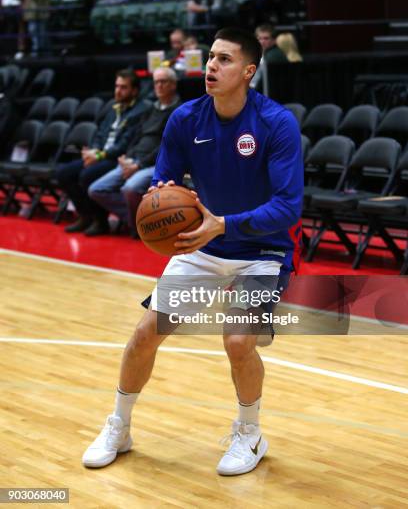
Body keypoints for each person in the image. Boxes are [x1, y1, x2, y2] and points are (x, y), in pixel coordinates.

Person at [82, 27, 303, 476]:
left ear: (248, 71)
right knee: (145, 334)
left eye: (223, 59)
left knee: (238, 341)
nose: (211, 66)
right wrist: (163, 200)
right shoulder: (185, 118)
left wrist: (224, 224)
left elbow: (288, 207)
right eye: (210, 57)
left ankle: (250, 434)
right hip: (201, 246)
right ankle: (119, 427)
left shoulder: (277, 123)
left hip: (261, 251)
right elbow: (162, 183)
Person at [88, 68, 180, 236]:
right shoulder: (151, 109)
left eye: (163, 81)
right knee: (96, 189)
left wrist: (138, 165)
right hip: (134, 160)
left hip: (157, 163)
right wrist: (126, 158)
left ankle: (138, 226)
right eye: (156, 82)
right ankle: (145, 221)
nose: (158, 86)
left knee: (130, 188)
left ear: (173, 85)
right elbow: (137, 136)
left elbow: (166, 146)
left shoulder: (179, 112)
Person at [56, 70, 147, 236]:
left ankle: (100, 221)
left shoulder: (140, 111)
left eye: (123, 87)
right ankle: (85, 216)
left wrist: (99, 155)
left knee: (87, 175)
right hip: (100, 155)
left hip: (117, 159)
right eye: (117, 86)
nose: (118, 91)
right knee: (63, 173)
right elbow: (99, 133)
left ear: (134, 91)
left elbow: (125, 144)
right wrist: (93, 151)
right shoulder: (113, 107)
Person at [251, 24, 288, 89]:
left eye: (266, 38)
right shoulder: (257, 54)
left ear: (274, 40)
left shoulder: (274, 55)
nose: (262, 41)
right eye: (259, 38)